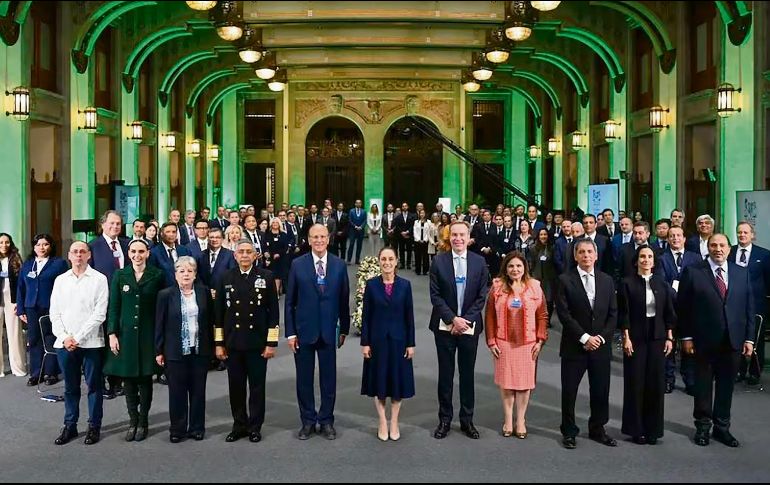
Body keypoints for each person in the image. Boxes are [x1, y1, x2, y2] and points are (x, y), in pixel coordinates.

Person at [678, 233, 755, 447]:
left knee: (726, 387)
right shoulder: (693, 272)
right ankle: (702, 427)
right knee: (703, 387)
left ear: (729, 249)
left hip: (733, 341)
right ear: (708, 248)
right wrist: (686, 336)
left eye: (722, 245)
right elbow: (683, 309)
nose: (718, 249)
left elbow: (749, 309)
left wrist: (749, 339)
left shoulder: (741, 273)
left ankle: (722, 428)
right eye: (713, 245)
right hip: (703, 341)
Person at [285, 224, 351, 440]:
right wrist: (291, 333)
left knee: (328, 379)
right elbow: (289, 302)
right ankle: (307, 421)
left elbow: (343, 299)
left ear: (328, 239)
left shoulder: (339, 265)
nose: (319, 240)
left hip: (328, 330)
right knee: (304, 380)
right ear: (309, 239)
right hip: (304, 331)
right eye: (315, 237)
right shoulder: (297, 265)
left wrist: (344, 329)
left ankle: (326, 420)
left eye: (323, 236)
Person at [429, 221, 490, 440]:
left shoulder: (479, 262)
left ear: (468, 237)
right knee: (445, 375)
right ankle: (445, 419)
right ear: (449, 237)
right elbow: (435, 296)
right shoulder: (438, 261)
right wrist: (453, 319)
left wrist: (464, 321)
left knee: (467, 375)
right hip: (444, 326)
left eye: (462, 235)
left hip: (469, 327)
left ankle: (467, 420)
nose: (458, 238)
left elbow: (482, 296)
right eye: (454, 235)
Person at [214, 241, 279, 443]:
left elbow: (274, 313)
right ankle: (239, 425)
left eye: (248, 252)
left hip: (257, 343)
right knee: (236, 386)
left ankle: (255, 427)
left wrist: (271, 343)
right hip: (233, 343)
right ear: (235, 255)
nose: (244, 255)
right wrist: (219, 343)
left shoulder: (265, 277)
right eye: (241, 252)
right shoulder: (226, 277)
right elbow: (218, 314)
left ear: (255, 255)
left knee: (257, 387)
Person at [556, 238, 618, 449]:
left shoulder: (607, 280)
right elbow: (564, 314)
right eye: (581, 252)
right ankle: (569, 431)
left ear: (596, 255)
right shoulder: (565, 280)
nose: (586, 256)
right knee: (570, 391)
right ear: (575, 256)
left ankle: (597, 429)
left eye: (589, 252)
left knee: (600, 390)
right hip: (575, 346)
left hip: (601, 346)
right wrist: (584, 338)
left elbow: (613, 313)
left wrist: (600, 338)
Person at [103, 239, 166, 442]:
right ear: (128, 253)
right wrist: (112, 334)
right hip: (126, 334)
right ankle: (133, 419)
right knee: (128, 378)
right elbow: (114, 306)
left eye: (141, 251)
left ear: (148, 253)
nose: (137, 255)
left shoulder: (157, 275)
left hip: (148, 334)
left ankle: (144, 420)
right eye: (133, 251)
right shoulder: (120, 275)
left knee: (145, 379)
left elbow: (162, 306)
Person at [50, 241, 109, 446]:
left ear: (89, 255)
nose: (78, 255)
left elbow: (99, 314)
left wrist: (79, 337)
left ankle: (94, 426)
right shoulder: (60, 280)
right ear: (69, 255)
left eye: (82, 251)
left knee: (94, 386)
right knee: (70, 388)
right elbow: (54, 313)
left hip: (91, 343)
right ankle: (70, 425)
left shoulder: (99, 279)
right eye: (74, 252)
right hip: (65, 343)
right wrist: (66, 337)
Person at [485, 252, 548, 439]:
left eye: (519, 266)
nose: (515, 270)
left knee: (523, 384)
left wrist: (540, 340)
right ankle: (507, 420)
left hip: (527, 344)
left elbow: (543, 315)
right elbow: (489, 315)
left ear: (524, 268)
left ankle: (520, 420)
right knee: (506, 384)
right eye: (511, 266)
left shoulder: (535, 287)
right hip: (503, 343)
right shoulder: (497, 287)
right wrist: (491, 341)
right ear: (506, 268)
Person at [619, 246, 676, 445]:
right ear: (636, 260)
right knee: (635, 383)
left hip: (658, 337)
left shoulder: (661, 282)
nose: (646, 260)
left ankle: (653, 430)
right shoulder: (627, 283)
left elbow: (669, 312)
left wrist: (669, 337)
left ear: (654, 261)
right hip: (635, 338)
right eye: (642, 256)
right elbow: (623, 313)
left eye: (649, 257)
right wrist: (625, 337)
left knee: (655, 384)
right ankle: (636, 430)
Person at [360, 247, 415, 441]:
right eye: (383, 259)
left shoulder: (405, 285)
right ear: (379, 261)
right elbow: (366, 317)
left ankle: (394, 421)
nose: (387, 262)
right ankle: (382, 420)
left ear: (396, 261)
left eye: (391, 259)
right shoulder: (372, 285)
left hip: (400, 341)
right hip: (377, 341)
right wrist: (365, 343)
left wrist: (411, 343)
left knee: (397, 382)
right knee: (380, 382)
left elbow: (410, 316)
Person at [155, 256, 213, 442]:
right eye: (182, 271)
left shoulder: (203, 292)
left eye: (190, 271)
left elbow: (210, 321)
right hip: (175, 351)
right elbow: (159, 324)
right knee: (177, 393)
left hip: (199, 350)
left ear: (195, 274)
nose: (186, 274)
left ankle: (197, 428)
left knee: (198, 392)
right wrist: (158, 350)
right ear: (175, 275)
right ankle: (177, 429)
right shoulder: (165, 295)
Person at [16, 233, 68, 386]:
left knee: (50, 338)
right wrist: (20, 309)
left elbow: (65, 287)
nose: (42, 247)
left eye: (45, 244)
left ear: (51, 246)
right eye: (38, 244)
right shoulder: (28, 265)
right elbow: (20, 287)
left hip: (51, 306)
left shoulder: (59, 264)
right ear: (34, 247)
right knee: (33, 340)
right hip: (31, 306)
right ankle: (36, 373)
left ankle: (51, 373)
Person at [658, 225, 702, 395]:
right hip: (668, 308)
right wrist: (676, 295)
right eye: (672, 236)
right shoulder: (661, 258)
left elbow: (699, 282)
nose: (675, 238)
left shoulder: (696, 258)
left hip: (690, 309)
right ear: (668, 239)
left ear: (684, 239)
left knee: (689, 346)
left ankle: (690, 381)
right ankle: (668, 379)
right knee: (668, 345)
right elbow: (661, 283)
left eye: (678, 235)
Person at [729, 222, 770, 386]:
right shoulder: (730, 252)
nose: (742, 235)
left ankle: (754, 372)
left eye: (745, 232)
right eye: (739, 232)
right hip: (734, 302)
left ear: (752, 235)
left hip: (757, 302)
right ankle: (738, 370)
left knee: (756, 338)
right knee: (736, 337)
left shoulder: (765, 254)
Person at [0, 233, 26, 377]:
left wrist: (20, 302)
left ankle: (19, 368)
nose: (4, 245)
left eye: (7, 242)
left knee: (15, 334)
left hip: (13, 299)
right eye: (1, 242)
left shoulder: (15, 258)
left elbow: (21, 283)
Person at [149, 222, 193, 287]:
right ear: (161, 234)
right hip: (164, 291)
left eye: (174, 232)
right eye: (168, 232)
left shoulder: (185, 250)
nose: (171, 234)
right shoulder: (154, 253)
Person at [529, 228, 557, 325]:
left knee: (549, 300)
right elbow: (531, 263)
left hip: (549, 278)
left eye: (545, 234)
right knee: (536, 300)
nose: (543, 236)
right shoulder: (533, 248)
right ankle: (537, 319)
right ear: (538, 236)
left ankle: (547, 320)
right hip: (536, 277)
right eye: (541, 234)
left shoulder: (552, 248)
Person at [264, 217, 292, 295]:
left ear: (279, 224)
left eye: (276, 222)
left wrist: (279, 254)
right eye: (273, 222)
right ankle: (273, 292)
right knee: (270, 275)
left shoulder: (283, 234)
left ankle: (276, 293)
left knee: (278, 276)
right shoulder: (267, 234)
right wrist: (266, 253)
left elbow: (286, 247)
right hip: (270, 258)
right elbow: (265, 245)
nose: (275, 224)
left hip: (281, 258)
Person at [395, 202, 415, 270]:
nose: (404, 207)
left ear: (408, 207)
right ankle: (402, 264)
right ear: (401, 208)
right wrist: (402, 232)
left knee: (409, 250)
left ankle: (408, 264)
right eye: (403, 206)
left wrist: (407, 232)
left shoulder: (412, 216)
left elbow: (412, 225)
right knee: (401, 250)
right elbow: (397, 226)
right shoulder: (398, 217)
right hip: (401, 236)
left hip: (409, 235)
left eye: (405, 206)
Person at [413, 209, 432, 276]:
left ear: (425, 214)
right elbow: (414, 231)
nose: (422, 214)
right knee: (417, 256)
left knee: (425, 257)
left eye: (423, 213)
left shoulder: (429, 222)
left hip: (425, 241)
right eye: (421, 213)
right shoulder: (416, 222)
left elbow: (429, 232)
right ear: (419, 214)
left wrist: (425, 239)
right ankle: (417, 270)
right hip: (417, 241)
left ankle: (425, 270)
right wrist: (418, 239)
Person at [347, 199, 367, 265]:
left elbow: (365, 220)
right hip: (353, 230)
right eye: (357, 203)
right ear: (355, 204)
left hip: (360, 230)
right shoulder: (351, 211)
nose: (358, 204)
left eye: (359, 203)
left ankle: (357, 260)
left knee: (359, 245)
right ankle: (349, 260)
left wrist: (361, 226)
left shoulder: (364, 211)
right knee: (351, 244)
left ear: (361, 204)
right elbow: (350, 220)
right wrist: (355, 226)